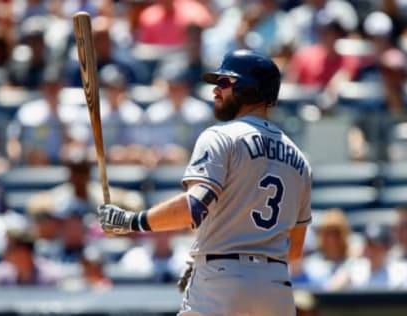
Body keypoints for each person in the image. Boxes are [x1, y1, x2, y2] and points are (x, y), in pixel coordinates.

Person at [97, 49, 312, 316]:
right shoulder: (299, 159)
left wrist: (131, 221)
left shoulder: (221, 136)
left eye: (224, 83)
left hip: (221, 283)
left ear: (249, 89)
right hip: (277, 289)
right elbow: (295, 249)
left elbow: (196, 206)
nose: (215, 91)